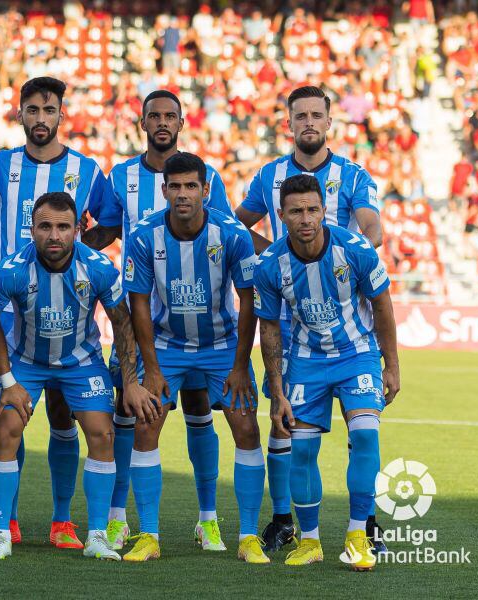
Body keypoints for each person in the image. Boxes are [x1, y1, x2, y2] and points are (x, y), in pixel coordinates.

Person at [0, 192, 160, 561]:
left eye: (63, 227)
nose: (54, 236)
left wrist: (133, 382)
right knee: (7, 427)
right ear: (32, 229)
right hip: (26, 361)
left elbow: (123, 325)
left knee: (102, 433)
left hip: (81, 362)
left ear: (78, 229)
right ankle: (0, 533)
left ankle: (95, 535)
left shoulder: (99, 267)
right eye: (45, 227)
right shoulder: (11, 270)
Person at [234, 85, 385, 553]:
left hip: (344, 316)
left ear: (328, 122)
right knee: (288, 426)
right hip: (294, 326)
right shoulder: (269, 176)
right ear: (290, 123)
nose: (309, 124)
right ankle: (286, 520)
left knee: (361, 429)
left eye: (316, 115)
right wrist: (271, 259)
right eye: (300, 116)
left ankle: (367, 524)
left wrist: (342, 261)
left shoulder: (353, 175)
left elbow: (373, 228)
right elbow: (240, 223)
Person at [84, 90, 234, 549]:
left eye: (170, 115)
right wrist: (65, 253)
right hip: (141, 319)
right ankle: (117, 516)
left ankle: (207, 518)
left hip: (204, 324)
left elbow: (227, 238)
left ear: (182, 122)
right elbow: (109, 231)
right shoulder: (122, 175)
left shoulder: (204, 176)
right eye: (155, 116)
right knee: (130, 412)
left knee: (198, 411)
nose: (162, 123)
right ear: (142, 122)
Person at [0, 76, 114, 549]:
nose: (41, 119)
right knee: (11, 414)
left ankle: (62, 522)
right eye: (32, 110)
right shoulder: (0, 165)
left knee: (63, 414)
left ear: (61, 114)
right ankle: (7, 523)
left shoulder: (87, 169)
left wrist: (74, 259)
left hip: (70, 313)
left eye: (49, 110)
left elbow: (108, 221)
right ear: (20, 114)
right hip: (15, 312)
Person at [121, 152, 266, 563]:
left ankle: (249, 536)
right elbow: (139, 305)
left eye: (191, 186)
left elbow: (249, 300)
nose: (182, 194)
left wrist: (240, 366)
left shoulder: (232, 235)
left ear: (206, 190)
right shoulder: (145, 236)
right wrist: (150, 369)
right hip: (167, 347)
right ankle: (149, 535)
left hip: (221, 348)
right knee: (146, 427)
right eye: (175, 186)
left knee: (247, 430)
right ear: (164, 190)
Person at [253, 173, 400, 570]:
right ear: (281, 215)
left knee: (366, 437)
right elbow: (268, 327)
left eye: (313, 210)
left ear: (323, 210)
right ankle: (311, 541)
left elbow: (383, 305)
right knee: (301, 450)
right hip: (305, 360)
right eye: (297, 211)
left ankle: (357, 536)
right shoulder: (269, 265)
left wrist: (392, 365)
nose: (306, 219)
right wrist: (279, 390)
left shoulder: (354, 249)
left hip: (357, 354)